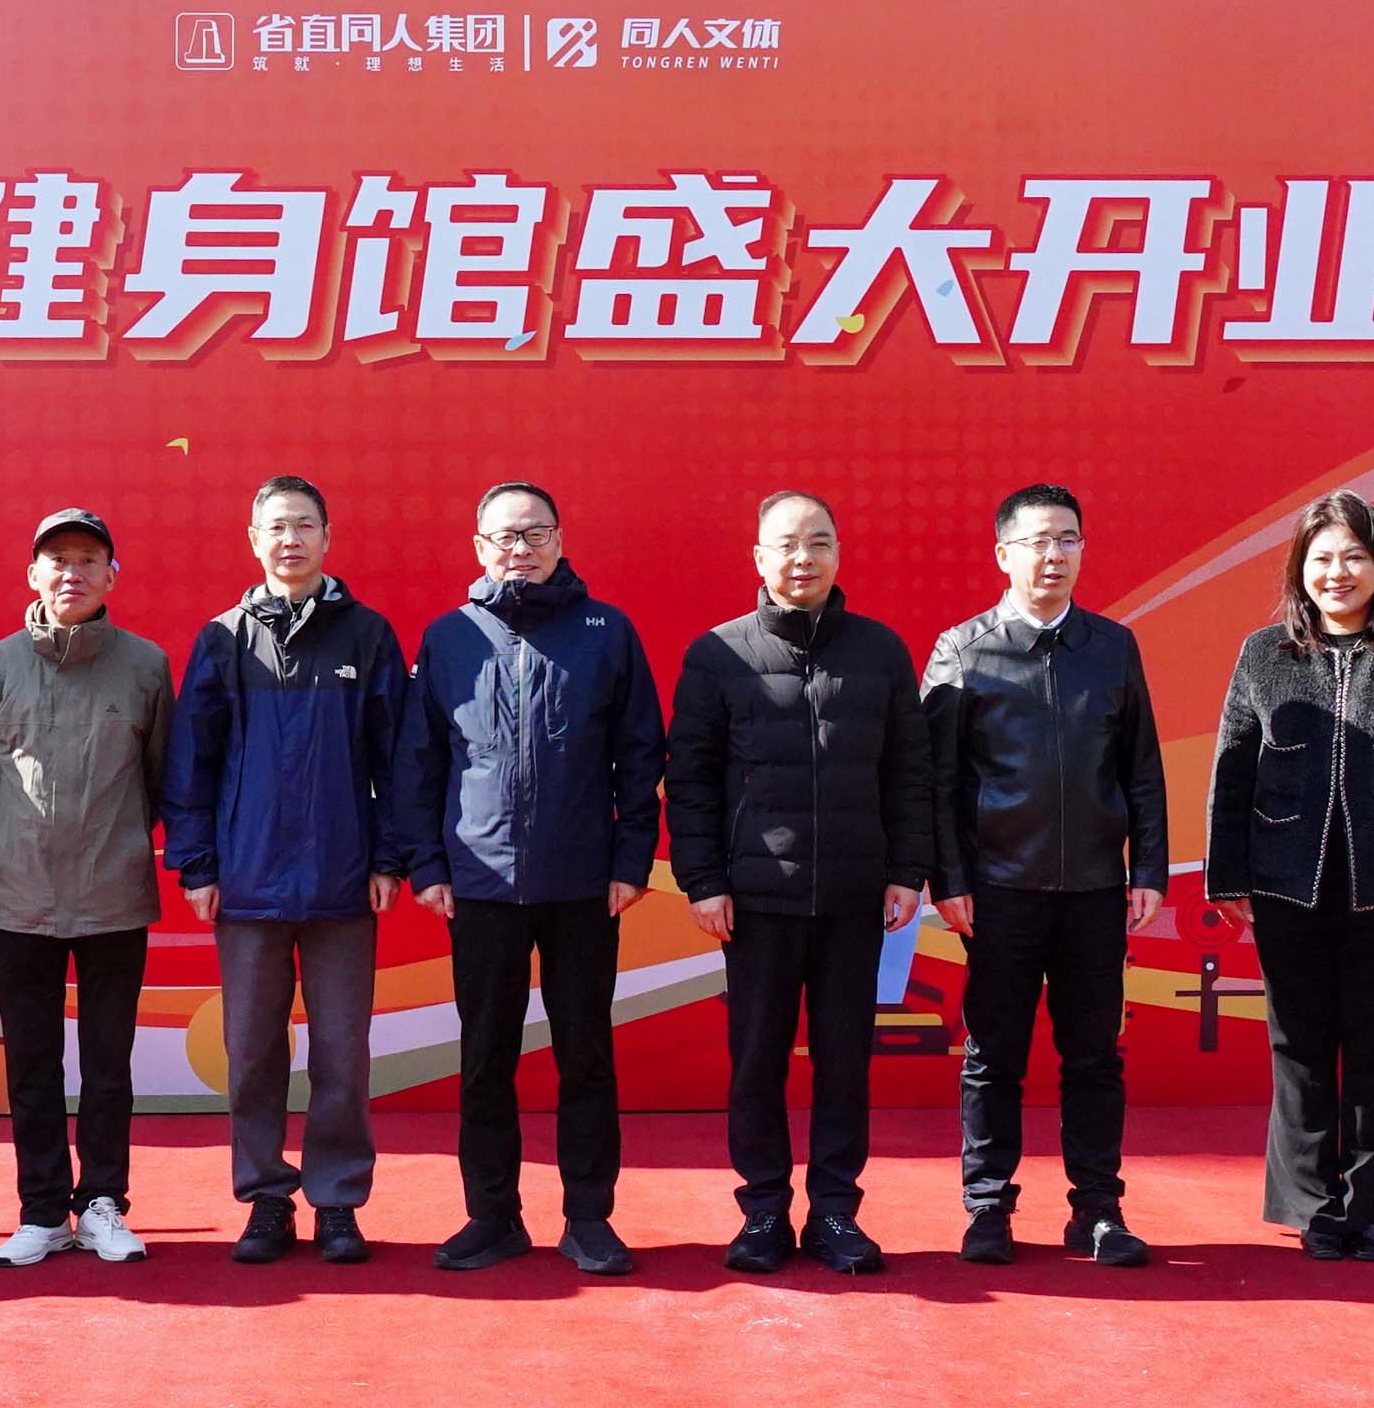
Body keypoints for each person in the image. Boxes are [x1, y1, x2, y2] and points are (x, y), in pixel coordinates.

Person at [1199, 492, 1374, 1262]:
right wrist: (1228, 876)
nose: (1338, 573)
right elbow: (1232, 770)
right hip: (1284, 881)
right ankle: (1312, 1207)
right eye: (1322, 558)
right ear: (1300, 569)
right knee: (1299, 1046)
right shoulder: (1265, 654)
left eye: (1354, 556)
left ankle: (1364, 1209)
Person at [663, 491, 934, 1276]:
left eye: (818, 542)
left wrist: (906, 871)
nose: (802, 558)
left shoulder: (880, 651)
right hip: (755, 902)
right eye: (786, 544)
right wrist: (703, 881)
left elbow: (909, 771)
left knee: (845, 1061)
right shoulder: (718, 654)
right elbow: (691, 781)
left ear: (838, 554)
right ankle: (763, 1211)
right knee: (757, 1061)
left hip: (855, 896)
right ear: (759, 557)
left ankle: (837, 1212)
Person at [400, 480, 665, 1276]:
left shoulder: (606, 631)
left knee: (585, 1056)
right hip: (479, 883)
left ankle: (589, 1218)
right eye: (504, 536)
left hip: (584, 882)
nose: (520, 548)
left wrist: (630, 860)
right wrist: (427, 864)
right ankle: (492, 1217)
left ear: (560, 540)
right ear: (479, 547)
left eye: (535, 533)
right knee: (486, 1057)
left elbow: (641, 754)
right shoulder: (449, 637)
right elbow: (420, 761)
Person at [164, 474, 410, 1266]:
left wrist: (387, 856)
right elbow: (191, 765)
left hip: (343, 881)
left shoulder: (366, 636)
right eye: (276, 526)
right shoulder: (222, 639)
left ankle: (337, 1200)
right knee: (252, 1052)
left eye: (305, 525)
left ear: (327, 538)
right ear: (254, 540)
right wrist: (198, 865)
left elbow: (397, 759)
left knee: (342, 1053)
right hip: (247, 883)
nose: (290, 539)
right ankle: (265, 1195)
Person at [922, 483, 1169, 1268]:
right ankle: (988, 1208)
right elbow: (936, 782)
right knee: (993, 1055)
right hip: (998, 890)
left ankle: (1097, 1210)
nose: (1053, 555)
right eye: (1036, 541)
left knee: (1094, 1057)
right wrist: (948, 878)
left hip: (1095, 889)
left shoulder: (1112, 647)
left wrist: (1149, 868)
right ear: (1003, 554)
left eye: (1067, 539)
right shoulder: (964, 651)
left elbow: (1141, 768)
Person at [0, 506, 174, 1267]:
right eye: (57, 561)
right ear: (33, 575)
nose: (72, 573)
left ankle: (103, 1204)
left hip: (115, 891)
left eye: (88, 560)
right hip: (20, 894)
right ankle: (41, 1210)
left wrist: (118, 840)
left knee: (108, 1063)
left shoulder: (145, 665)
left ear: (111, 576)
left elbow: (160, 777)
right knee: (31, 1064)